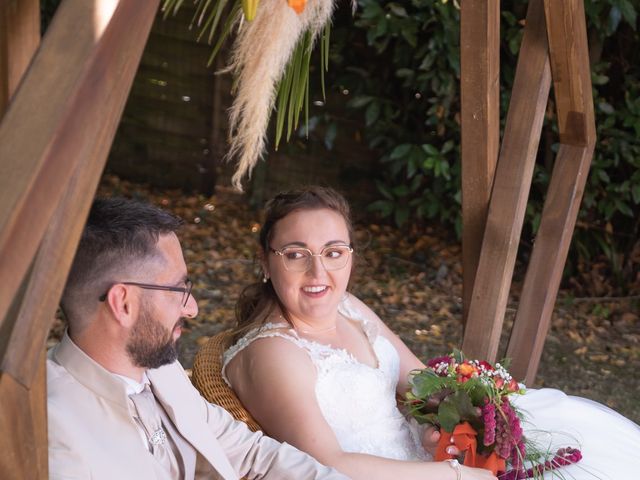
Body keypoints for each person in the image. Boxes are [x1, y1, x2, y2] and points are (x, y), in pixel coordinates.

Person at [221, 186, 640, 480]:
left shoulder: (347, 306)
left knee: (591, 450)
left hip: (431, 459)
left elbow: (421, 382)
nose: (319, 273)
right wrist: (450, 474)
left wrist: (452, 423)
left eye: (333, 253)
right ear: (265, 260)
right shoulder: (274, 352)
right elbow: (325, 463)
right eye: (296, 255)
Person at [48, 197, 350, 480]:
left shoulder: (162, 370)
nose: (191, 308)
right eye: (178, 290)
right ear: (123, 303)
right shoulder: (55, 436)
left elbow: (252, 452)